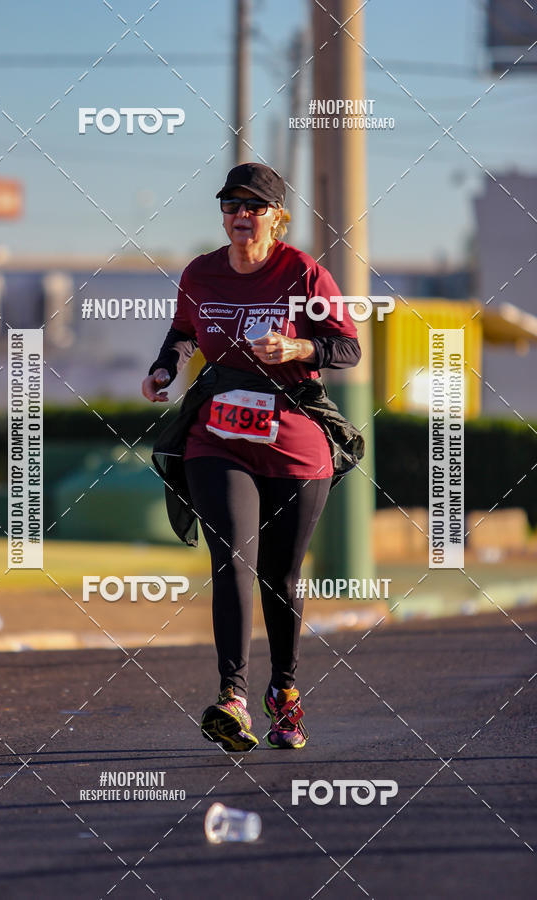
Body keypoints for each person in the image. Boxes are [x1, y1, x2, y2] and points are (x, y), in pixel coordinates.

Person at [142, 162, 361, 751]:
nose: (241, 215)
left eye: (254, 206)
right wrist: (166, 367)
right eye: (232, 204)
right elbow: (183, 332)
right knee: (232, 559)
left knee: (281, 578)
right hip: (218, 440)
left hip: (293, 440)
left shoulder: (305, 274)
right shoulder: (201, 273)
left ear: (276, 216)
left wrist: (297, 344)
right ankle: (232, 698)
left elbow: (347, 347)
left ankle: (284, 695)